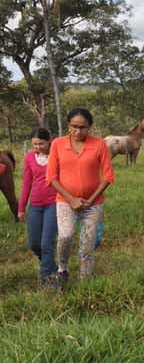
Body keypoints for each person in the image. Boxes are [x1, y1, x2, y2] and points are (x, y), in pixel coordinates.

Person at [46, 108, 114, 287]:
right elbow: (51, 177)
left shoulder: (99, 144)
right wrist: (71, 199)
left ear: (89, 127)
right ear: (68, 125)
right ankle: (62, 269)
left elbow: (108, 176)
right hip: (65, 202)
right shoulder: (57, 144)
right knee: (65, 236)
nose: (78, 131)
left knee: (87, 244)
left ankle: (85, 284)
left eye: (83, 127)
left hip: (93, 204)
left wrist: (91, 199)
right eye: (74, 126)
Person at [18, 128, 58, 286]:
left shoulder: (57, 155)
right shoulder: (29, 157)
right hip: (35, 205)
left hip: (53, 204)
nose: (37, 147)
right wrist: (21, 208)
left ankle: (47, 281)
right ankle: (50, 265)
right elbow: (26, 183)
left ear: (49, 141)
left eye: (41, 144)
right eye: (34, 144)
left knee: (47, 244)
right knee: (34, 244)